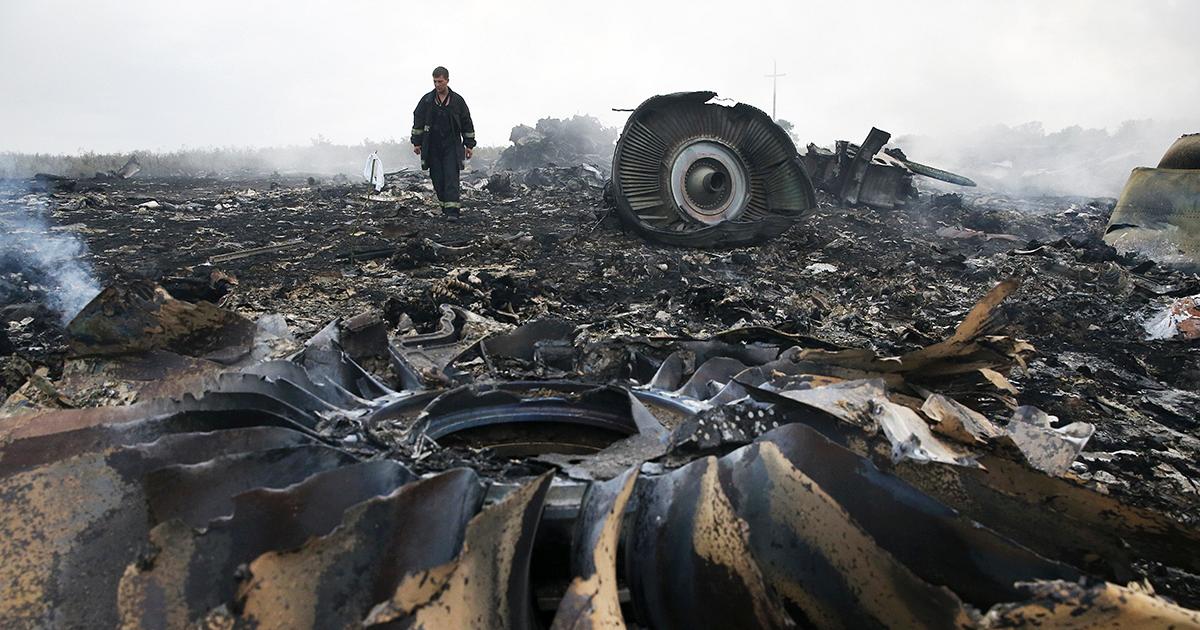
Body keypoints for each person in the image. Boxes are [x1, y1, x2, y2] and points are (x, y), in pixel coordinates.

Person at [411, 66, 476, 219]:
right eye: (435, 81)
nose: (437, 85)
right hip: (432, 146)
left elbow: (467, 122)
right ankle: (445, 206)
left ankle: (452, 212)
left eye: (440, 81)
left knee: (451, 177)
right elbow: (418, 121)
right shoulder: (427, 100)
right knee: (437, 178)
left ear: (447, 80)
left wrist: (469, 145)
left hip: (451, 145)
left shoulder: (457, 101)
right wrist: (416, 143)